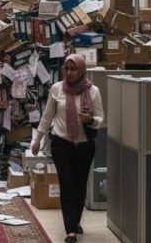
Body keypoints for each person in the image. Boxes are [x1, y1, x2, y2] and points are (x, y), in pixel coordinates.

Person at [31, 54, 104, 243]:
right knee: (67, 184)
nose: (70, 73)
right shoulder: (57, 89)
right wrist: (37, 139)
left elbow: (101, 119)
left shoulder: (93, 91)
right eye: (67, 69)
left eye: (74, 69)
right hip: (61, 143)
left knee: (80, 186)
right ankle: (70, 230)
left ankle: (75, 219)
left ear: (81, 70)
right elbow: (47, 117)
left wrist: (91, 120)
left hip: (85, 145)